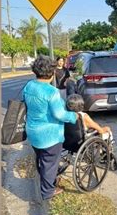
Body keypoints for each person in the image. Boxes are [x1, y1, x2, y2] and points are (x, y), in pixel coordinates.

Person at [23, 57, 78, 200]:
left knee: (42, 159)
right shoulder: (51, 91)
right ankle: (47, 192)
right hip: (49, 135)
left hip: (32, 131)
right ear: (52, 72)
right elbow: (59, 114)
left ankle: (50, 181)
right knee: (49, 163)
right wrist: (73, 117)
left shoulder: (29, 86)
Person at [63, 94, 117, 171]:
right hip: (80, 143)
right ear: (81, 105)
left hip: (67, 142)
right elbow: (100, 129)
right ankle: (107, 154)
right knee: (107, 131)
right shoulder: (83, 116)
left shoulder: (64, 115)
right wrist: (106, 128)